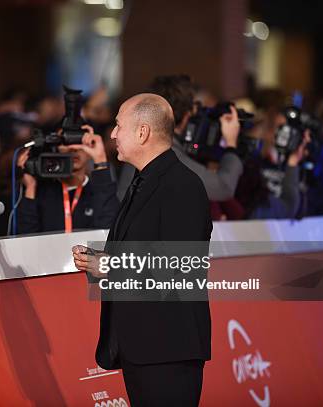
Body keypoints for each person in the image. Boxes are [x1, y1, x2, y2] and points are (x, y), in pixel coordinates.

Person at [72, 94, 212, 406]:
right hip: (143, 345)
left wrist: (106, 267)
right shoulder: (143, 182)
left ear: (142, 132)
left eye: (118, 125)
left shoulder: (181, 186)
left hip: (168, 347)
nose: (112, 134)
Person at [118, 75, 243, 202]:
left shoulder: (140, 146)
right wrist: (231, 144)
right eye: (195, 111)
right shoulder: (165, 153)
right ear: (186, 117)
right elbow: (223, 188)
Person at [17, 125, 119, 234]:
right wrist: (30, 187)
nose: (73, 148)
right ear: (54, 149)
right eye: (65, 141)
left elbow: (108, 233)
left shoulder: (101, 192)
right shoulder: (40, 192)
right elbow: (26, 239)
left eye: (79, 141)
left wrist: (100, 160)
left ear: (91, 149)